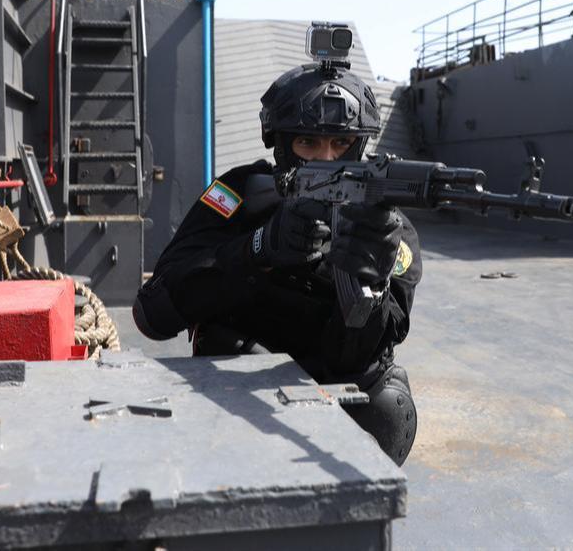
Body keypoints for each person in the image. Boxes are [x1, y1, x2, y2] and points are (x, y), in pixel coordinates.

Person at [132, 62, 422, 465]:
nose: (327, 159)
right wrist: (259, 248)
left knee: (386, 398)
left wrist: (368, 289)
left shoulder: (388, 233)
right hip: (241, 391)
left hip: (332, 388)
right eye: (308, 143)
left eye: (341, 145)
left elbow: (358, 360)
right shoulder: (240, 194)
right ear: (282, 145)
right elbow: (152, 314)